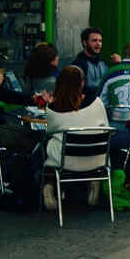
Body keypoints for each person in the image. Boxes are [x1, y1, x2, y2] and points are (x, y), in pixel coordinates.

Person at [42, 65, 110, 210]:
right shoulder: (96, 102)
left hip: (65, 161)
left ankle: (49, 185)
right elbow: (106, 127)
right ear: (82, 83)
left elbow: (50, 131)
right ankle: (94, 181)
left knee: (46, 144)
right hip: (97, 159)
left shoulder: (52, 108)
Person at [71, 28, 109, 99]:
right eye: (94, 40)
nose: (98, 44)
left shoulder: (103, 63)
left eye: (100, 41)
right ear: (85, 43)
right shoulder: (78, 65)